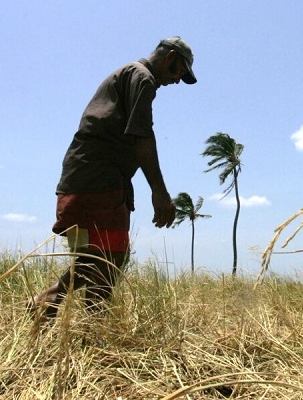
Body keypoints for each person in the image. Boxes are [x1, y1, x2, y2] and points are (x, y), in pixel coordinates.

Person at [28, 36, 197, 322]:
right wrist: (159, 192)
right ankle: (91, 333)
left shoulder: (127, 75)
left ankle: (49, 307)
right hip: (100, 184)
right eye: (178, 72)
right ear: (169, 58)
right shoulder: (142, 78)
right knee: (110, 259)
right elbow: (142, 137)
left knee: (90, 260)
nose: (176, 81)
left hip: (77, 181)